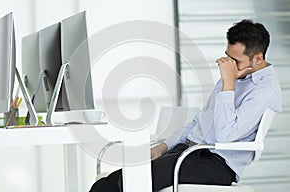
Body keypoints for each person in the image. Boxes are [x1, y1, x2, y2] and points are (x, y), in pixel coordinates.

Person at [89, 19, 282, 192]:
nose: (227, 64)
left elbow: (225, 135)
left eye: (235, 61)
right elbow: (199, 121)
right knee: (112, 181)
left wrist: (228, 83)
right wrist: (163, 146)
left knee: (132, 182)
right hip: (188, 151)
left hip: (216, 163)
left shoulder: (265, 91)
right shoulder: (232, 77)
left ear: (257, 58)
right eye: (227, 57)